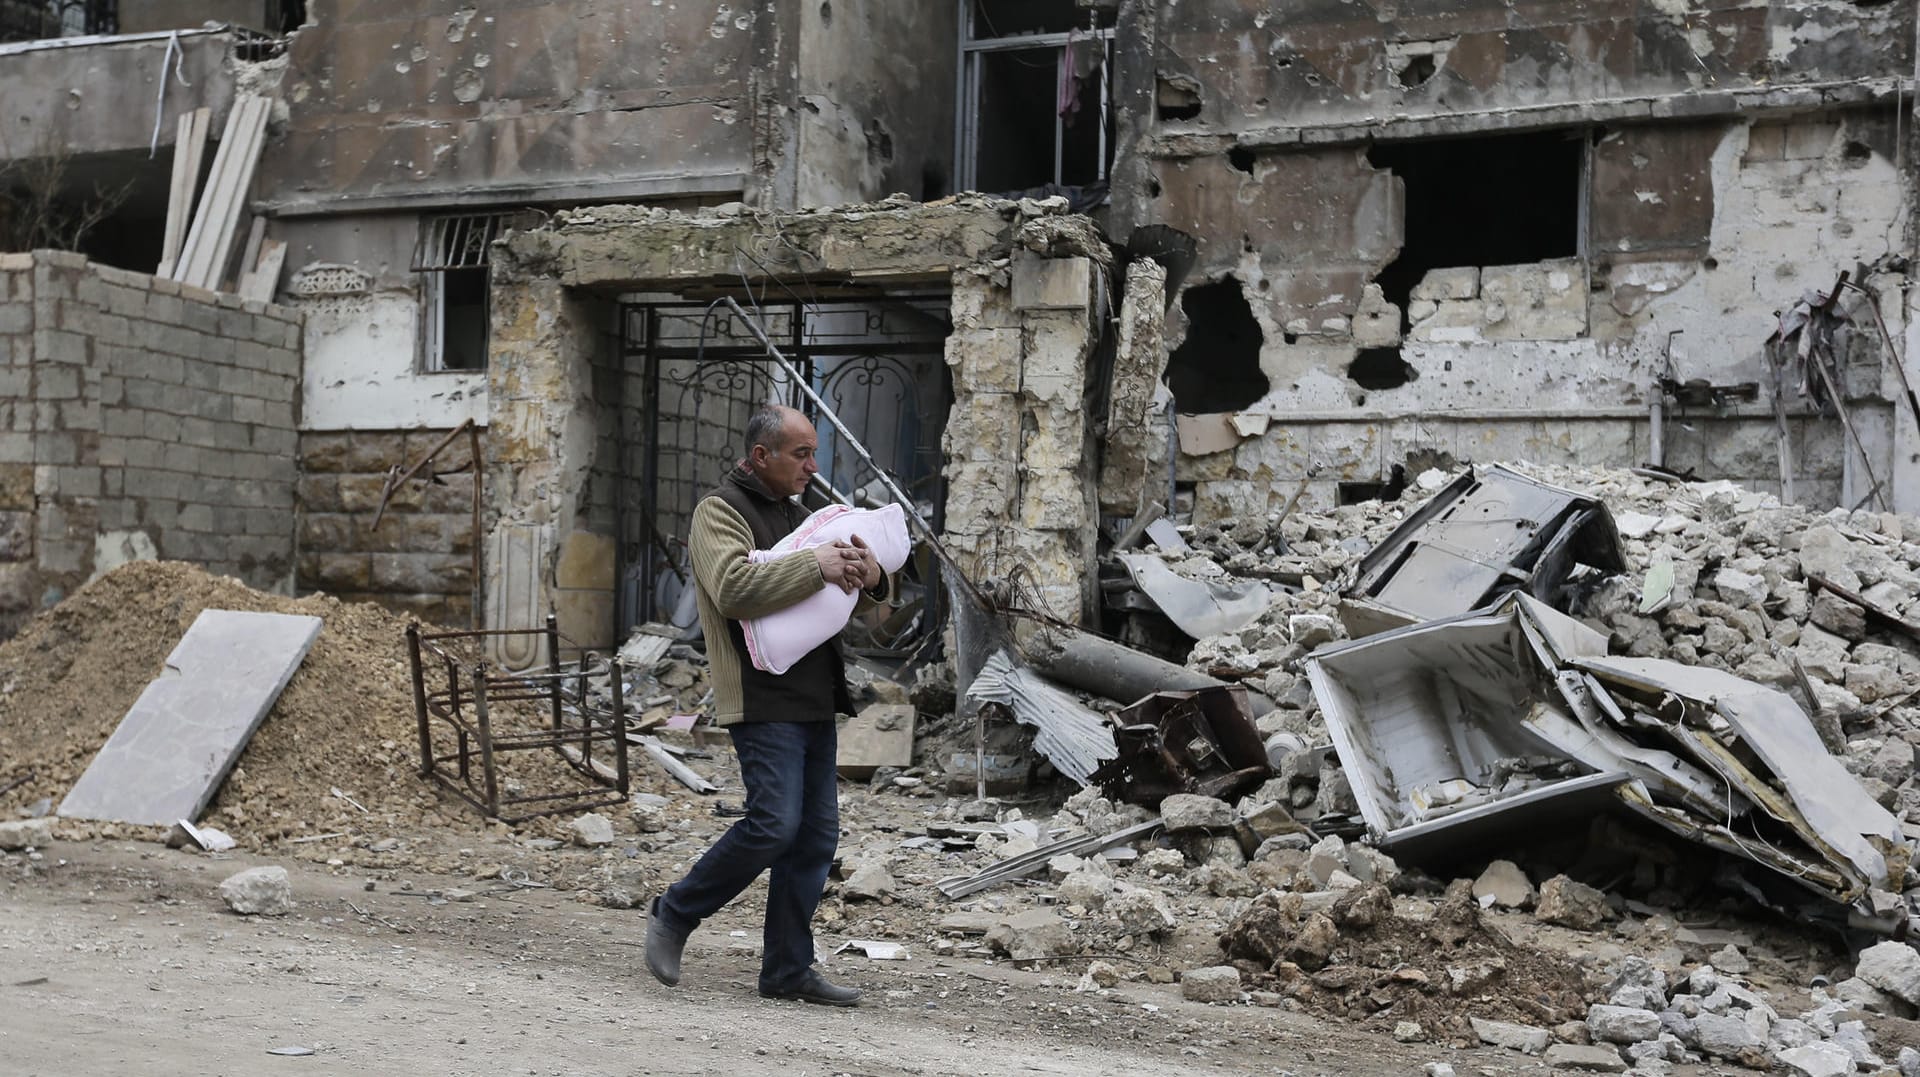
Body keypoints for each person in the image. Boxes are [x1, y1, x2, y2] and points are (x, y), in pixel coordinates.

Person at [643, 403, 886, 1007]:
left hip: (812, 693)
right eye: (800, 453)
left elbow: (863, 596)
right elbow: (731, 589)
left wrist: (873, 573)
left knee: (814, 836)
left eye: (814, 451)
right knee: (774, 823)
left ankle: (786, 969)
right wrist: (817, 564)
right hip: (758, 692)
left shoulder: (802, 515)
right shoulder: (719, 512)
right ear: (761, 456)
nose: (813, 464)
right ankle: (675, 912)